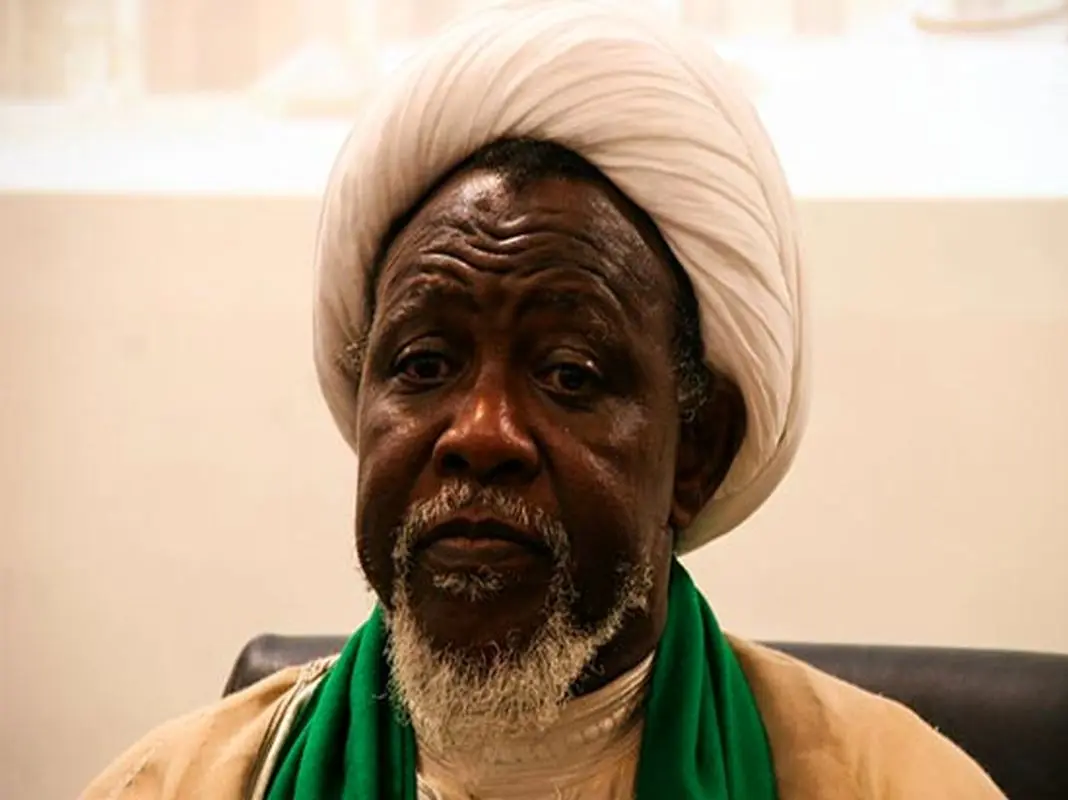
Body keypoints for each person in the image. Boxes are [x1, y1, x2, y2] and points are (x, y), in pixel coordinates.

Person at [83, 1, 1006, 798]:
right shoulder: (178, 784)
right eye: (423, 365)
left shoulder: (890, 782)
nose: (480, 434)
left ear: (697, 450)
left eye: (569, 375)